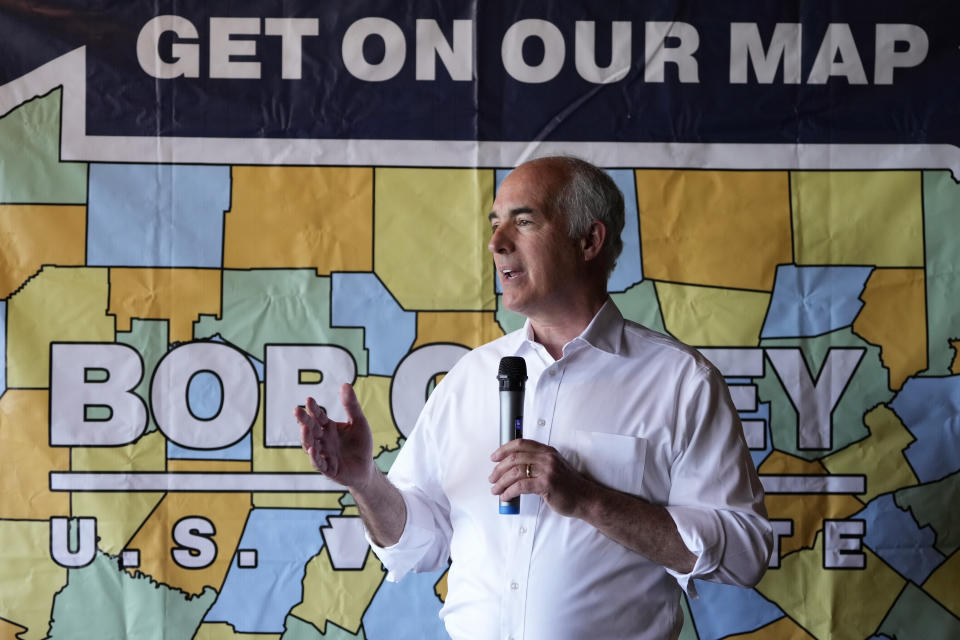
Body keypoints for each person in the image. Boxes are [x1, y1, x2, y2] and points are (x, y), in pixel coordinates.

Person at [296, 156, 773, 640]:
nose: (496, 243)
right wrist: (365, 482)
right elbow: (417, 545)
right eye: (495, 224)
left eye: (523, 222)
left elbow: (745, 553)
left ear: (589, 240)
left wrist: (589, 499)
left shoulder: (679, 382)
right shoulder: (468, 378)